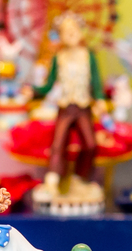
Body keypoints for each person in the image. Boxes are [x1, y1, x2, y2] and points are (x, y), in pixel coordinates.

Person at [32, 13, 105, 201]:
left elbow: (96, 82)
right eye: (66, 31)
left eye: (74, 30)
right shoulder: (59, 57)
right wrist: (33, 91)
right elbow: (49, 84)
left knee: (90, 144)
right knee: (58, 144)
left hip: (83, 106)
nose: (71, 34)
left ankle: (80, 179)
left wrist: (100, 99)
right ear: (60, 36)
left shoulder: (88, 56)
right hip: (65, 107)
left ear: (81, 33)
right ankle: (52, 181)